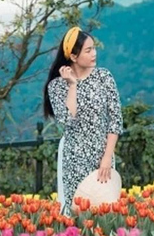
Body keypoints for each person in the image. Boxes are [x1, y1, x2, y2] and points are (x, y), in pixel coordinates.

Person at [43, 27, 124, 216]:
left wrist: (107, 157)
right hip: (74, 157)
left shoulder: (104, 77)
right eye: (88, 50)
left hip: (102, 153)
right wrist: (72, 85)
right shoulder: (56, 85)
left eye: (94, 48)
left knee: (105, 209)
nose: (94, 54)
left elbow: (115, 120)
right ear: (73, 56)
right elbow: (66, 120)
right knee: (76, 211)